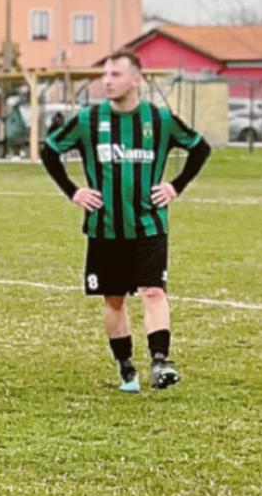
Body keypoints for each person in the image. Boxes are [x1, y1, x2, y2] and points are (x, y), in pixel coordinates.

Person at [40, 50, 212, 392]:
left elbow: (200, 147)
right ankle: (126, 368)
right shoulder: (89, 120)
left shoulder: (159, 119)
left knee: (153, 291)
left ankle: (161, 361)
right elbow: (49, 150)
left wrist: (174, 186)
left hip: (149, 224)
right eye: (105, 74)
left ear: (136, 79)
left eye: (116, 74)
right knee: (115, 299)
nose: (107, 81)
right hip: (104, 228)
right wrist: (74, 192)